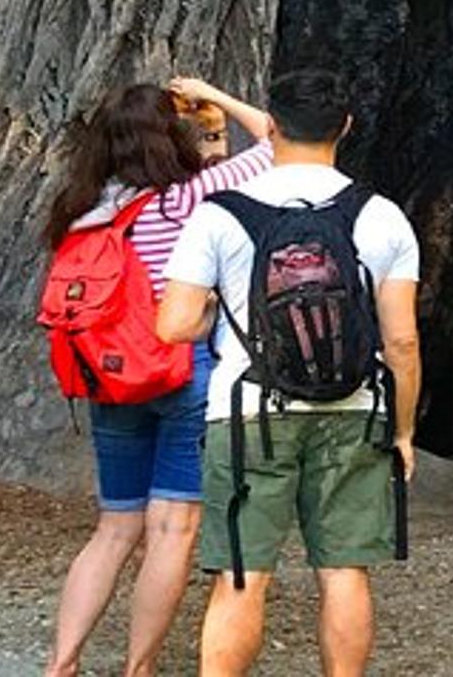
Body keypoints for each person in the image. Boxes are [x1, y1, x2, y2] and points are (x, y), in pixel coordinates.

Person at [155, 69, 421, 677]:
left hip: (248, 414)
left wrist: (219, 316)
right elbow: (402, 341)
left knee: (243, 576)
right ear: (347, 128)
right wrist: (402, 432)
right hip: (355, 410)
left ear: (270, 127)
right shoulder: (381, 216)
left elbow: (173, 325)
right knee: (345, 572)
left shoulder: (219, 214)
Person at [42, 78, 273, 677]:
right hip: (180, 373)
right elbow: (279, 139)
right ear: (170, 139)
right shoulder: (190, 198)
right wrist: (212, 97)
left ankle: (60, 664)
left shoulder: (79, 211)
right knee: (172, 528)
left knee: (114, 528)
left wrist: (214, 136)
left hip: (109, 377)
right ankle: (137, 668)